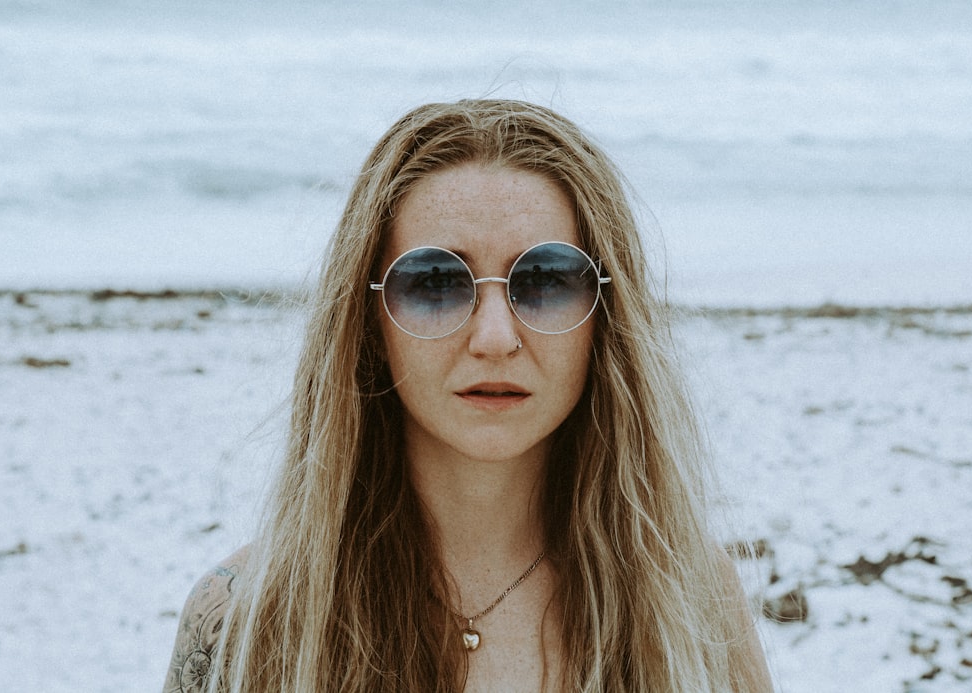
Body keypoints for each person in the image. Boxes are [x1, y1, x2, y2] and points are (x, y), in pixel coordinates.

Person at [163, 99, 773, 692]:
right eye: (435, 281)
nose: (495, 338)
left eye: (544, 279)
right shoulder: (244, 615)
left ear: (604, 320)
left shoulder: (690, 600)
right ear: (369, 323)